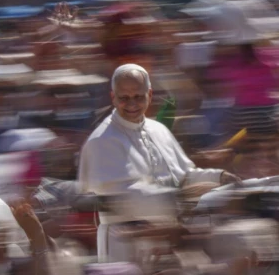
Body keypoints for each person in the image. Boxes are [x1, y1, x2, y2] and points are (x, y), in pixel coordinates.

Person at [78, 64, 240, 261]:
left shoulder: (159, 130)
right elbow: (123, 197)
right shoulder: (102, 141)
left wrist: (219, 177)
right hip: (126, 245)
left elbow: (184, 175)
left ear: (150, 94)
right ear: (113, 97)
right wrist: (181, 197)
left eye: (138, 96)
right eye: (124, 98)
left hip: (169, 239)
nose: (132, 104)